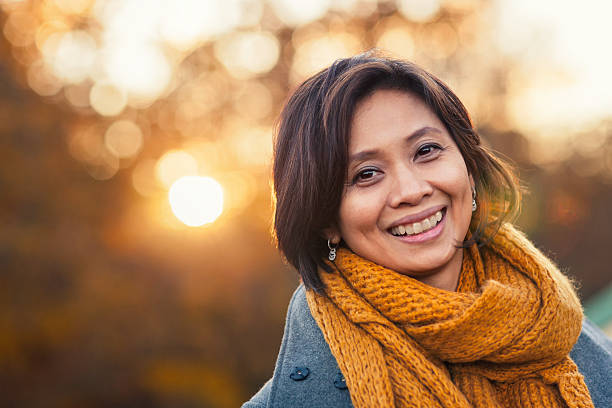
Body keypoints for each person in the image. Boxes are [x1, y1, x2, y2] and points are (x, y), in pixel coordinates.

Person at [243, 53, 612, 408]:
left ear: (468, 166)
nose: (411, 190)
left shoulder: (564, 334)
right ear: (326, 220)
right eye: (366, 174)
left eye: (426, 150)